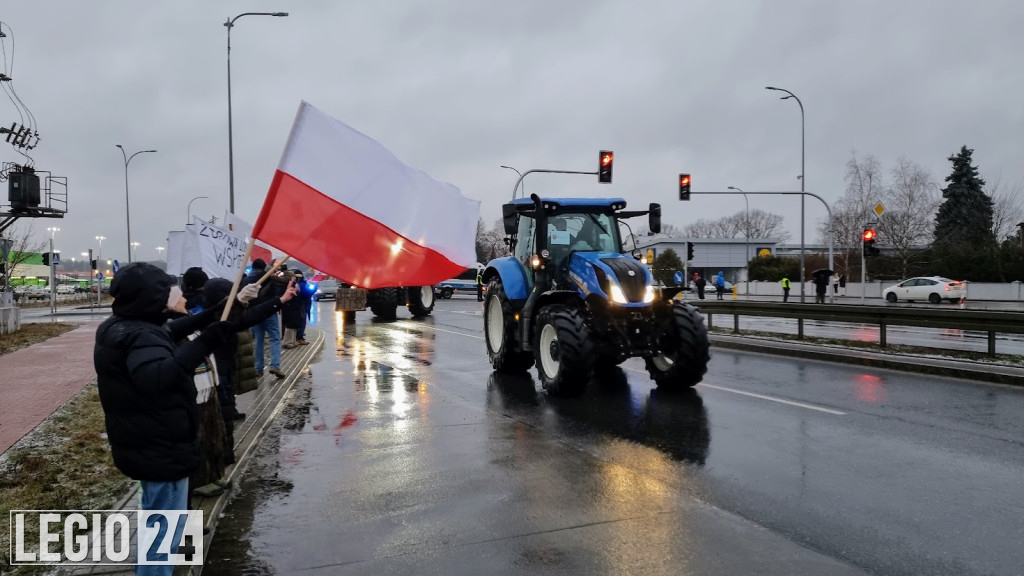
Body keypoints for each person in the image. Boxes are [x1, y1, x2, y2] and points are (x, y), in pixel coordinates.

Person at [93, 262, 236, 574]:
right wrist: (204, 343)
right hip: (160, 445)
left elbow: (169, 331)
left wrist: (213, 313)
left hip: (146, 440)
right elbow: (156, 376)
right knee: (163, 534)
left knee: (157, 520)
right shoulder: (140, 335)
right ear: (148, 297)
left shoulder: (121, 326)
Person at [241, 258, 286, 378]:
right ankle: (275, 365)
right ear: (263, 267)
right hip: (269, 311)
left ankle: (258, 368)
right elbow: (282, 283)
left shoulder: (246, 279)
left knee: (258, 340)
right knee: (275, 338)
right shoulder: (268, 277)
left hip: (254, 314)